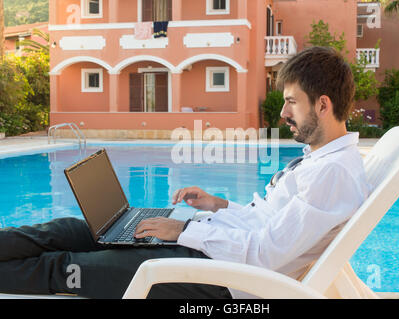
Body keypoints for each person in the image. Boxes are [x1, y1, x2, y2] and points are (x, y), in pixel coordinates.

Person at [0, 47, 370, 299]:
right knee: (69, 229)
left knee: (66, 268)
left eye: (292, 102)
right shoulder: (322, 162)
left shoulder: (332, 174)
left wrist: (184, 229)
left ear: (322, 105)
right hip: (208, 249)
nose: (283, 114)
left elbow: (263, 256)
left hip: (218, 278)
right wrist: (219, 205)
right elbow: (267, 225)